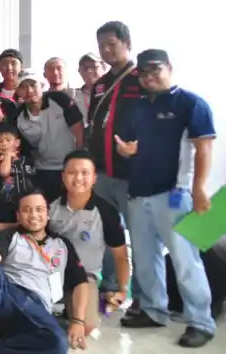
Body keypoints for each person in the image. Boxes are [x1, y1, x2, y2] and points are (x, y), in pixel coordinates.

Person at [115, 49, 217, 347]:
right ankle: (153, 311)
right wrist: (127, 151)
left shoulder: (189, 103)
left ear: (169, 67)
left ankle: (200, 322)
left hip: (174, 194)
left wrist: (199, 188)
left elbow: (203, 148)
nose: (149, 77)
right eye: (143, 73)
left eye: (155, 70)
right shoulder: (138, 107)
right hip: (138, 193)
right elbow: (134, 145)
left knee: (185, 262)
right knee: (145, 260)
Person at [0, 190, 90, 354]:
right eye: (27, 210)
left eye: (39, 209)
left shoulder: (62, 244)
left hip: (39, 311)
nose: (34, 215)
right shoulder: (9, 236)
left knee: (58, 344)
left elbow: (80, 281)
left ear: (48, 214)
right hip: (10, 298)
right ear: (18, 215)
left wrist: (78, 321)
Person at [88, 21, 144, 308]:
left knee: (140, 237)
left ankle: (142, 299)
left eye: (112, 44)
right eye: (102, 46)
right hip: (101, 173)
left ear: (127, 43)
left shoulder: (140, 78)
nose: (106, 50)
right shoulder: (100, 85)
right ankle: (109, 287)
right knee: (109, 233)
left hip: (131, 175)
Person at [48, 150, 129, 335]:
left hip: (83, 278)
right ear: (63, 176)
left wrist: (122, 290)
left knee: (86, 327)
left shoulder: (106, 212)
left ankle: (77, 308)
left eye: (85, 173)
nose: (78, 178)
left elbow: (120, 256)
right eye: (72, 172)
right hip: (49, 272)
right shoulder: (48, 204)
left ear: (94, 178)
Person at [15, 69, 84, 203]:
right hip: (41, 171)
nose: (29, 90)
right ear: (17, 91)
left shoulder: (60, 100)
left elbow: (79, 130)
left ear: (42, 85)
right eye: (23, 87)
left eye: (33, 85)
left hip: (68, 167)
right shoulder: (18, 116)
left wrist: (78, 161)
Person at [0, 125, 35, 232]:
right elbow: (4, 172)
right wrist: (7, 156)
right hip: (7, 203)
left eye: (8, 140)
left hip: (26, 200)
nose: (4, 144)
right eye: (0, 141)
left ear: (17, 143)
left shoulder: (26, 159)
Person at [73, 53, 106, 123]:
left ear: (103, 68)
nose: (89, 71)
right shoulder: (73, 97)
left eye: (94, 67)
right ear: (80, 72)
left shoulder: (113, 91)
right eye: (85, 68)